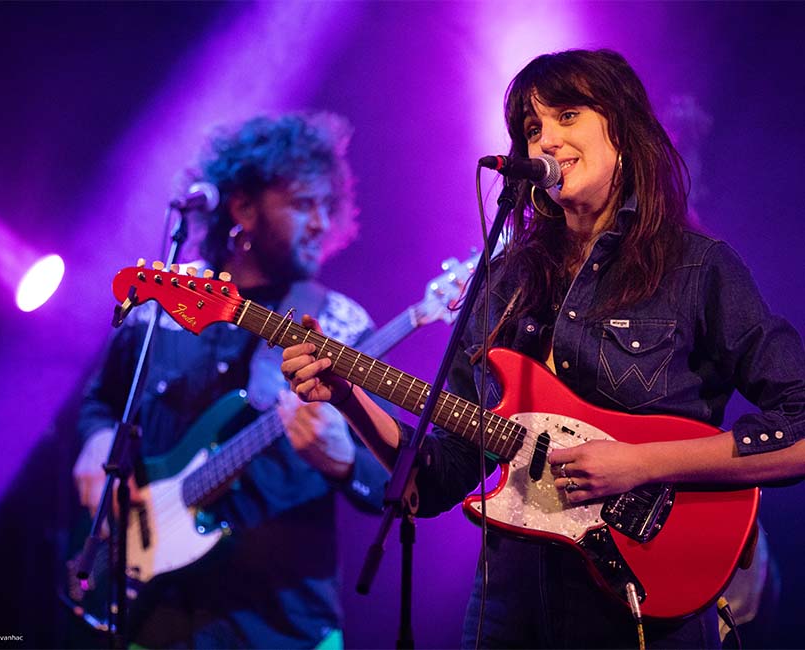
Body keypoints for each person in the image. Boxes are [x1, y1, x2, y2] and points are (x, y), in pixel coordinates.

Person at [281, 49, 805, 648]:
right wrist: (347, 396)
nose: (546, 141)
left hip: (643, 609)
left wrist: (640, 464)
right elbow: (439, 477)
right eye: (532, 129)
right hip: (508, 606)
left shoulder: (699, 268)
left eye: (567, 115)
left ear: (623, 131)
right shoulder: (502, 282)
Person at [72, 112, 389, 649]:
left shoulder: (340, 325)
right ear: (242, 207)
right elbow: (101, 402)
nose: (319, 222)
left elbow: (397, 483)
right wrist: (96, 445)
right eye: (301, 203)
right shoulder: (164, 300)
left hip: (285, 625)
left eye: (325, 206)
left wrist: (342, 460)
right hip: (154, 614)